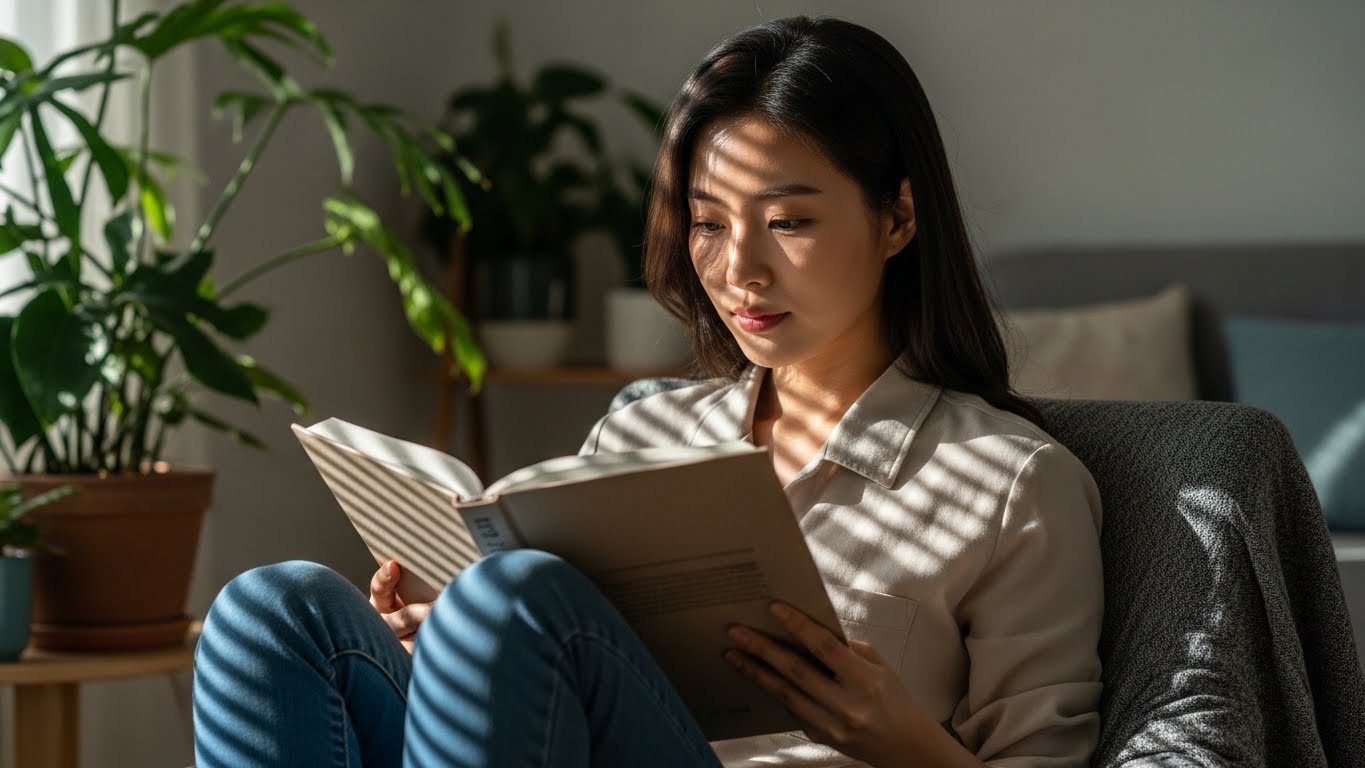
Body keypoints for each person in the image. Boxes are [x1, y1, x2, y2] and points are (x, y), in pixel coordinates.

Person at [192, 15, 1103, 768]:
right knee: (271, 609)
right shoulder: (651, 429)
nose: (738, 269)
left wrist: (899, 738)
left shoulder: (1012, 482)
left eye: (788, 221)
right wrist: (453, 644)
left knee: (510, 598)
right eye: (707, 223)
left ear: (897, 216)